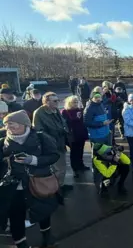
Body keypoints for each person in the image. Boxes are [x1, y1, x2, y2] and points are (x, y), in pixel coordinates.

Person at [0, 110, 60, 248]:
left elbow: (54, 155)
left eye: (13, 124)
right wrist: (8, 161)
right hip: (13, 186)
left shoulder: (41, 137)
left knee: (42, 210)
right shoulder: (2, 141)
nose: (10, 128)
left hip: (38, 181)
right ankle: (22, 245)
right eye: (7, 125)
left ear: (24, 124)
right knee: (15, 216)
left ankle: (47, 236)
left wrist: (33, 160)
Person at [33, 92, 71, 192]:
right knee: (58, 169)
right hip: (51, 145)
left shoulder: (56, 110)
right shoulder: (39, 113)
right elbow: (39, 131)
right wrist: (51, 141)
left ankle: (60, 186)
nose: (57, 102)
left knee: (61, 167)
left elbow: (63, 123)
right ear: (46, 102)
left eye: (58, 100)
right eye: (55, 101)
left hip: (61, 143)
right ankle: (56, 190)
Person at [61, 95, 89, 178]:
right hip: (72, 135)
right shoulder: (65, 112)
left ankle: (81, 165)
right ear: (69, 103)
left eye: (77, 102)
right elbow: (66, 123)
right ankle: (75, 169)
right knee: (74, 153)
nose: (76, 104)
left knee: (80, 150)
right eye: (74, 102)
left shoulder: (80, 110)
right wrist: (76, 118)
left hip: (81, 133)